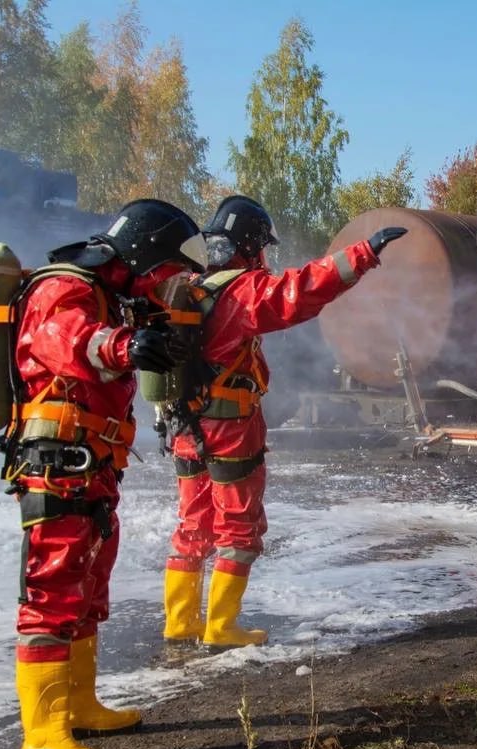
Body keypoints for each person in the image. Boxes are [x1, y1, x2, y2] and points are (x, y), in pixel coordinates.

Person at [10, 199, 205, 749]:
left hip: (91, 461)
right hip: (57, 460)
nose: (169, 277)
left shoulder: (111, 293)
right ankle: (43, 736)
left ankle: (78, 706)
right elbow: (63, 340)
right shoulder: (65, 287)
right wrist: (122, 346)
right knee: (53, 587)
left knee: (89, 583)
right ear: (145, 250)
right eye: (166, 264)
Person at [160, 195, 407, 648]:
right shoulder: (241, 291)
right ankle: (221, 627)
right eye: (263, 249)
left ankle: (180, 622)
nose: (265, 258)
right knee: (237, 527)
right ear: (250, 245)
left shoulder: (191, 286)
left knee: (193, 524)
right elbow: (300, 290)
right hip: (229, 427)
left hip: (186, 427)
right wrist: (364, 253)